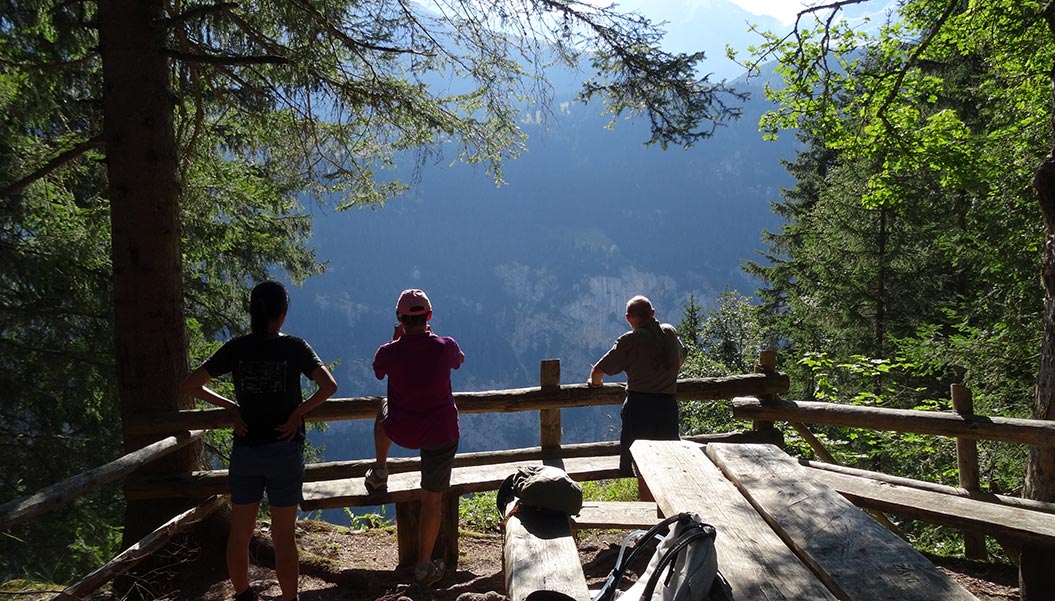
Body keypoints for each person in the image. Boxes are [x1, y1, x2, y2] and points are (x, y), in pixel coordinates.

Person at [180, 281, 337, 601]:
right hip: (285, 450)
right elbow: (329, 386)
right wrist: (297, 412)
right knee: (283, 535)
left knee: (240, 532)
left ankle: (243, 595)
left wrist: (231, 407)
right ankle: (289, 598)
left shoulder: (237, 348)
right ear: (282, 314)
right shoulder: (295, 347)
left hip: (246, 449)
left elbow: (192, 384)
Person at [366, 288, 465, 587]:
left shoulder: (388, 352)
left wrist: (395, 340)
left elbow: (378, 372)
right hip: (441, 433)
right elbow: (458, 360)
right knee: (432, 499)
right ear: (429, 316)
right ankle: (424, 567)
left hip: (403, 430)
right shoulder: (445, 346)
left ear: (399, 318)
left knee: (382, 409)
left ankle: (380, 470)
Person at [588, 295, 686, 501]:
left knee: (642, 463)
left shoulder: (630, 340)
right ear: (652, 314)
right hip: (667, 407)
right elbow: (681, 357)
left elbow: (598, 371)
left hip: (640, 407)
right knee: (668, 459)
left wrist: (594, 384)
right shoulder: (670, 333)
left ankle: (648, 511)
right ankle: (667, 509)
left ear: (628, 318)